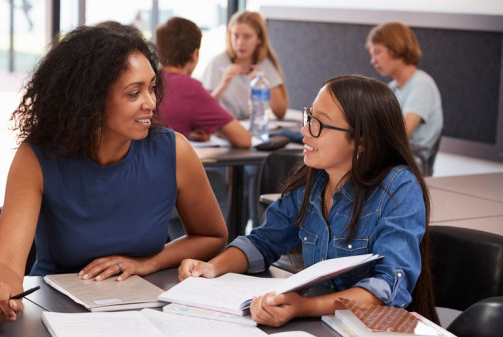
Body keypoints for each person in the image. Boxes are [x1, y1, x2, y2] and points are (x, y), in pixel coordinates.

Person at [0, 24, 228, 324]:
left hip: (148, 313)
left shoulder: (174, 151)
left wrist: (146, 263)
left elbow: (212, 235)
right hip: (56, 314)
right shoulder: (36, 158)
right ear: (91, 101)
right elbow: (4, 263)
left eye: (151, 87)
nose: (151, 102)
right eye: (134, 93)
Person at [179, 74, 438, 327]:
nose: (304, 131)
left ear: (361, 141)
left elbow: (387, 288)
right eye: (309, 116)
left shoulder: (398, 188)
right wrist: (211, 268)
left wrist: (304, 307)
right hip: (321, 325)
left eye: (318, 124)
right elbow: (262, 242)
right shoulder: (314, 180)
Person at [156, 17, 251, 148]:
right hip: (167, 167)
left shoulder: (149, 80)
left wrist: (187, 133)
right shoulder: (191, 89)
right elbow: (244, 140)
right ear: (194, 55)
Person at [366, 20, 443, 174]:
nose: (373, 61)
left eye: (378, 52)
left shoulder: (422, 84)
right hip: (392, 160)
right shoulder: (393, 88)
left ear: (395, 48)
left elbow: (400, 133)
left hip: (408, 165)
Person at [202, 10, 288, 120]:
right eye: (235, 36)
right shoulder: (217, 63)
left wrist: (266, 85)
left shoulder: (264, 64)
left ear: (259, 39)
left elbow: (281, 112)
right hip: (223, 128)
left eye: (247, 37)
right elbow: (203, 109)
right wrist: (223, 85)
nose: (240, 43)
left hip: (251, 127)